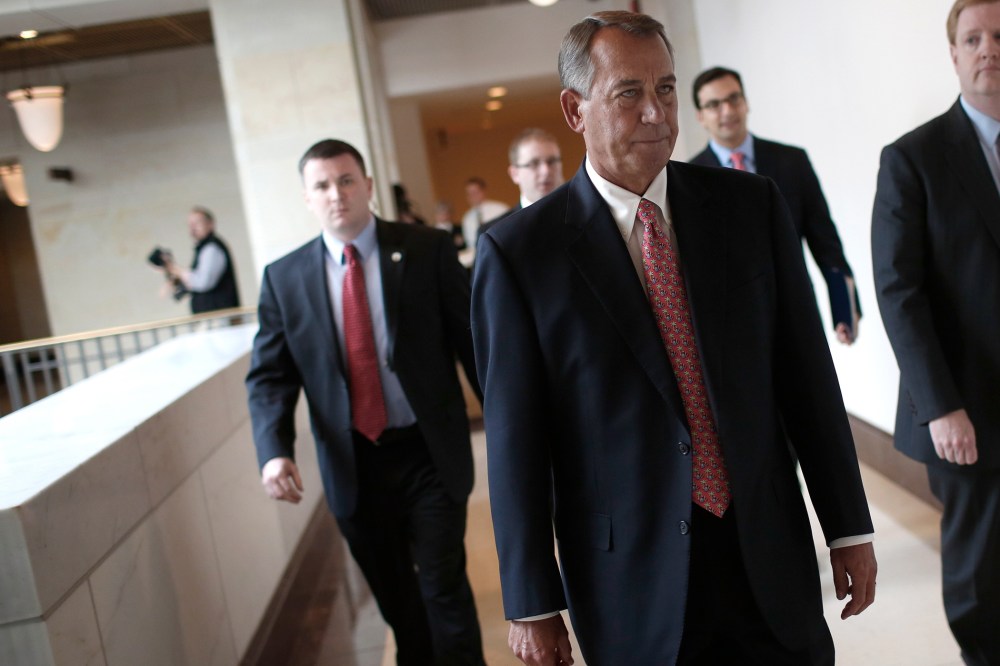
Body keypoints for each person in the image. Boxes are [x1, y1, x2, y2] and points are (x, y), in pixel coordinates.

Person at [472, 11, 877, 665]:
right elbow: (517, 442)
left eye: (665, 89)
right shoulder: (521, 254)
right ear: (575, 110)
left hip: (765, 551)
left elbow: (806, 380)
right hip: (631, 576)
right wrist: (532, 602)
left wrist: (848, 526)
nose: (657, 113)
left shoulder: (751, 207)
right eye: (629, 93)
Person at [245, 139, 486, 665]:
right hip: (354, 463)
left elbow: (472, 342)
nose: (338, 194)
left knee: (443, 584)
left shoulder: (426, 249)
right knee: (398, 600)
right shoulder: (284, 280)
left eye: (347, 180)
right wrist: (274, 450)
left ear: (369, 186)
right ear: (307, 198)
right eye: (323, 186)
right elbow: (269, 377)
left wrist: (510, 420)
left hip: (428, 452)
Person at [872, 1, 1000, 663]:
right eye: (973, 38)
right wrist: (941, 404)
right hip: (967, 409)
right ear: (954, 54)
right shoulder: (913, 158)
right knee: (982, 577)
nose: (989, 49)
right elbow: (899, 293)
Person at [689, 67, 860, 344]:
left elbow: (825, 241)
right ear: (700, 116)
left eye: (734, 99)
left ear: (746, 102)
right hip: (731, 331)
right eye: (714, 105)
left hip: (797, 313)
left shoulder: (792, 161)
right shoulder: (689, 179)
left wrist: (844, 309)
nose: (727, 111)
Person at [477, 128, 565, 241]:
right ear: (514, 174)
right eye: (534, 163)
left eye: (552, 161)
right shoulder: (494, 235)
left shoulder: (587, 213)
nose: (546, 171)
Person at [162, 206, 240, 314]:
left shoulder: (211, 248)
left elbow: (203, 281)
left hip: (217, 317)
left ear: (210, 224)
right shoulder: (203, 248)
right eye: (190, 224)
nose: (193, 228)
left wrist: (178, 270)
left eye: (197, 223)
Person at [461, 177, 507, 249]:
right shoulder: (467, 218)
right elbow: (470, 244)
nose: (472, 196)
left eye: (475, 192)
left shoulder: (500, 209)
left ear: (483, 191)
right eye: (469, 194)